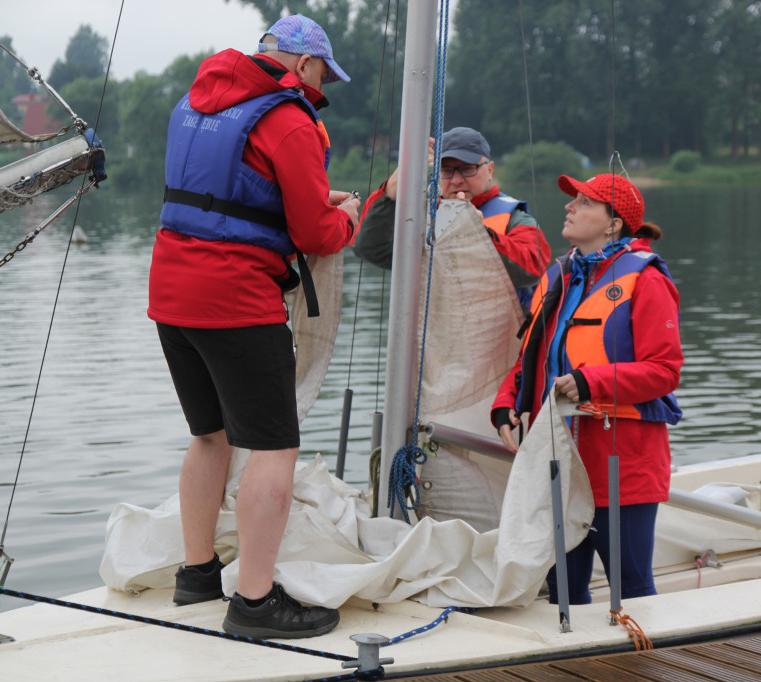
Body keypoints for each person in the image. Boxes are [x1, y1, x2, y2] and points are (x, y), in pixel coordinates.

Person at [147, 14, 360, 639]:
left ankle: (196, 576)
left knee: (210, 435)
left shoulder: (192, 101)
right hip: (236, 299)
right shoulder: (288, 120)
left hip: (170, 291)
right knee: (273, 447)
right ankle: (256, 604)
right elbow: (316, 234)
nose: (321, 87)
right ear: (300, 64)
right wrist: (350, 213)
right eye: (321, 74)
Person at [490, 173, 682, 604]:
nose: (569, 207)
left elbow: (665, 372)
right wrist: (506, 405)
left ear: (614, 224)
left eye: (584, 202)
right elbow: (530, 359)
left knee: (630, 588)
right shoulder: (557, 275)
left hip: (621, 461)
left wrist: (589, 382)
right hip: (559, 460)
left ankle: (641, 666)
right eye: (573, 200)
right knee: (561, 592)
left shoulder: (647, 280)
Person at [353, 127, 551, 311]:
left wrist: (479, 233)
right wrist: (391, 193)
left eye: (467, 169)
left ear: (489, 170)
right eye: (447, 170)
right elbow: (369, 248)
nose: (457, 180)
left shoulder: (514, 216)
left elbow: (533, 269)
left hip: (495, 340)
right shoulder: (425, 218)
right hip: (436, 339)